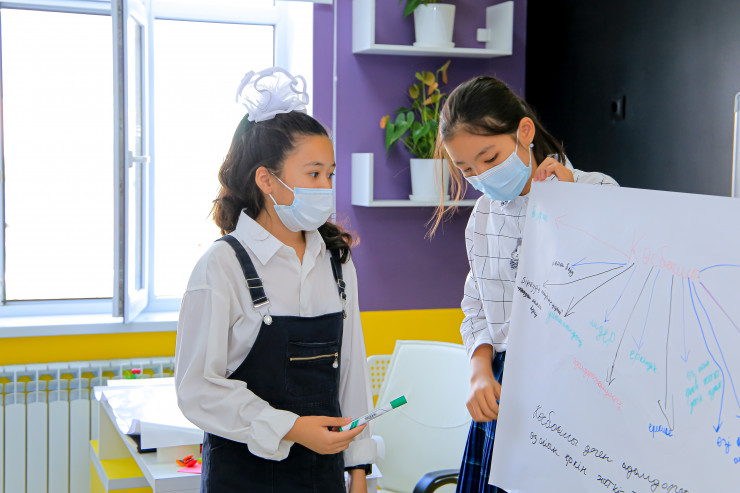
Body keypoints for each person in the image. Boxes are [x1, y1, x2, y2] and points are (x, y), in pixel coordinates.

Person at [175, 67, 375, 493]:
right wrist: (292, 428)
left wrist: (359, 470)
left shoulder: (336, 262)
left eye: (330, 175)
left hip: (323, 479)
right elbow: (197, 389)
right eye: (313, 174)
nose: (326, 187)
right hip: (243, 479)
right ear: (266, 179)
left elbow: (352, 373)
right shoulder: (221, 266)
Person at [431, 76, 618, 493]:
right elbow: (476, 305)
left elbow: (618, 288)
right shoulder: (483, 217)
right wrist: (480, 369)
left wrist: (573, 206)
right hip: (506, 390)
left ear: (524, 132)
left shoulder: (596, 190)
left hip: (578, 387)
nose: (482, 176)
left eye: (489, 158)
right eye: (467, 169)